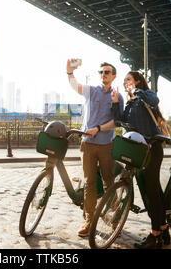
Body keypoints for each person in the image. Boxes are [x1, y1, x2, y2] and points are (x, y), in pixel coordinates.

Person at [110, 70, 170, 249]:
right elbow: (120, 122)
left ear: (137, 81)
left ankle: (156, 235)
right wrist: (114, 104)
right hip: (138, 150)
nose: (126, 83)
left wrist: (136, 91)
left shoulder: (145, 96)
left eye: (129, 79)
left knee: (151, 190)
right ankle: (163, 228)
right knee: (151, 191)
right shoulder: (130, 104)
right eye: (125, 81)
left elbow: (155, 100)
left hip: (152, 148)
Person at [66, 58, 124, 237]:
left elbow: (117, 122)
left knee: (109, 183)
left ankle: (114, 221)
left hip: (107, 145)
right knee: (90, 183)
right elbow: (75, 85)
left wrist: (98, 128)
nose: (103, 75)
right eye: (101, 72)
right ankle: (89, 222)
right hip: (88, 145)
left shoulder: (117, 96)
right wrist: (69, 72)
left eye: (107, 72)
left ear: (113, 76)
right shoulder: (91, 91)